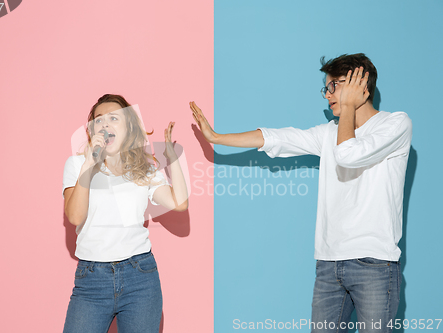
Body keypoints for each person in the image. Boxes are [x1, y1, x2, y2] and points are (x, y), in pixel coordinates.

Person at [191, 53, 412, 332]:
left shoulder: (396, 124)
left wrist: (347, 109)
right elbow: (278, 137)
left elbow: (348, 154)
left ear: (362, 86)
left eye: (334, 86)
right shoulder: (328, 133)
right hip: (329, 264)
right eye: (326, 88)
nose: (327, 95)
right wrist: (217, 138)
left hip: (374, 263)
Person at [62, 94, 188, 333]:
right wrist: (90, 165)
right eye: (99, 120)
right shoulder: (77, 164)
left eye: (114, 118)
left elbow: (179, 203)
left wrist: (172, 160)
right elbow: (75, 217)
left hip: (140, 276)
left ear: (129, 127)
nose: (105, 124)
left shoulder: (144, 169)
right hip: (92, 279)